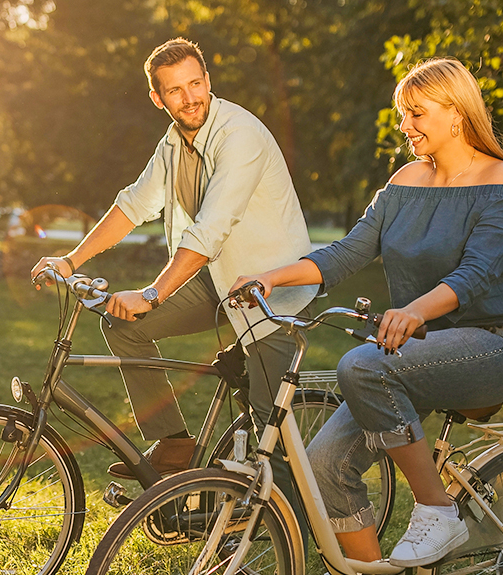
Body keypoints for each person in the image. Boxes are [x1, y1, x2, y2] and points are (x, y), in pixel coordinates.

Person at [230, 57, 503, 575]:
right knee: (322, 465)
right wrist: (270, 276)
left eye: (417, 114)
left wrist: (416, 310)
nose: (408, 127)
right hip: (415, 350)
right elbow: (348, 253)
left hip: (491, 345)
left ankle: (437, 511)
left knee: (360, 364)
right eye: (403, 117)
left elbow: (478, 273)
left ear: (456, 111)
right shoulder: (403, 182)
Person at [31, 38, 317, 481]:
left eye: (196, 83)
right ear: (157, 98)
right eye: (175, 90)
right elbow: (133, 205)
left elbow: (210, 228)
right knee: (123, 326)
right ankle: (175, 445)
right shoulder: (174, 142)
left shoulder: (238, 136)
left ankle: (294, 530)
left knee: (269, 436)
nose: (190, 98)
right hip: (220, 279)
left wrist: (153, 292)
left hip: (271, 289)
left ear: (208, 80)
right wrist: (71, 261)